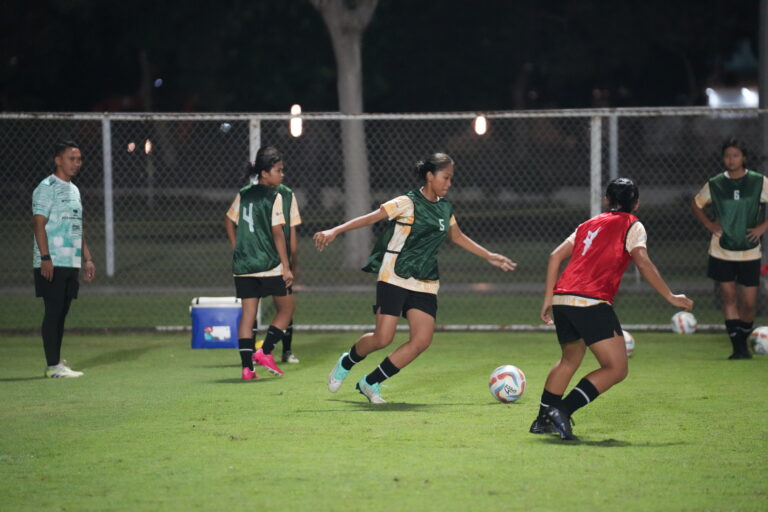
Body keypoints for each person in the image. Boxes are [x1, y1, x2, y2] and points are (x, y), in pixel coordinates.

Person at [314, 153, 517, 403]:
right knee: (382, 338)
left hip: (425, 281)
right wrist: (335, 230)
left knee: (422, 340)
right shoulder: (406, 202)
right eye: (445, 177)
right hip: (394, 276)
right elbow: (371, 217)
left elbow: (457, 236)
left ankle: (371, 382)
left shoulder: (445, 207)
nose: (449, 183)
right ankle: (347, 361)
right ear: (430, 176)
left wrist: (489, 255)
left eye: (452, 178)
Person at [534, 178, 693, 440]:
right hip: (591, 302)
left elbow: (554, 256)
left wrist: (549, 298)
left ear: (607, 200)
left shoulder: (588, 224)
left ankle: (542, 419)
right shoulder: (633, 224)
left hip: (564, 300)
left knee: (569, 360)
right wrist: (670, 296)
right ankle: (561, 410)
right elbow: (642, 261)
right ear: (637, 203)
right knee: (616, 368)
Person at [691, 138, 768, 359]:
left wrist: (762, 227)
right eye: (727, 155)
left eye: (735, 155)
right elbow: (696, 203)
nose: (731, 159)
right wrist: (708, 224)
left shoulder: (757, 181)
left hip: (749, 250)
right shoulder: (716, 183)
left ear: (743, 157)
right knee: (729, 297)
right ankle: (738, 348)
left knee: (750, 303)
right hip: (721, 250)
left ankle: (743, 339)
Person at [226, 149, 302, 364]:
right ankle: (267, 351)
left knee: (248, 315)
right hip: (271, 263)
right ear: (264, 173)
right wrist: (290, 264)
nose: (282, 174)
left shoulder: (245, 193)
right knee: (286, 308)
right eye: (278, 170)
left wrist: (238, 248)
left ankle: (247, 367)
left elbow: (228, 220)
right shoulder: (278, 195)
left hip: (245, 265)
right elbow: (281, 234)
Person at [32, 141, 96, 378]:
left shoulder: (75, 190)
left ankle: (56, 361)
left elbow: (77, 227)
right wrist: (45, 257)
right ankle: (52, 366)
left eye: (79, 159)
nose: (76, 163)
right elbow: (38, 223)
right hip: (52, 261)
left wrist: (87, 259)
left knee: (62, 312)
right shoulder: (46, 187)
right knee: (53, 311)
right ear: (57, 160)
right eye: (71, 158)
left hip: (71, 261)